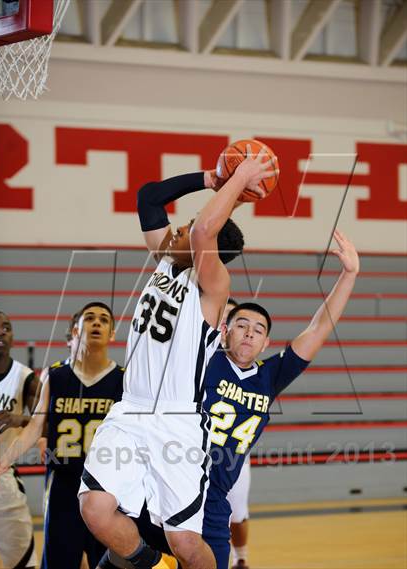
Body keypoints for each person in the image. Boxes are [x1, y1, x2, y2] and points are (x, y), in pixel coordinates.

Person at [100, 230, 359, 569]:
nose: (250, 331)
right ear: (224, 329)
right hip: (166, 481)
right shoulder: (203, 356)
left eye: (259, 328)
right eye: (242, 324)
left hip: (213, 500)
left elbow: (319, 328)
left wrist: (349, 275)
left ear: (266, 343)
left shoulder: (270, 377)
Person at [77, 147, 278, 569]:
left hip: (176, 421)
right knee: (94, 509)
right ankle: (148, 564)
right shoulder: (165, 261)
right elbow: (148, 197)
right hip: (129, 411)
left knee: (186, 543)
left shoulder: (214, 287)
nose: (179, 230)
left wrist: (240, 179)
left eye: (184, 227)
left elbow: (205, 229)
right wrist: (211, 179)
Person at [0, 302, 125, 569]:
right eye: (90, 318)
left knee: (108, 563)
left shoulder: (123, 379)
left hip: (106, 488)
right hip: (63, 485)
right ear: (75, 331)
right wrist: (5, 460)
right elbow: (35, 427)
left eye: (103, 319)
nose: (96, 322)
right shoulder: (55, 374)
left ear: (112, 334)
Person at [0, 310, 40, 568]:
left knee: (24, 564)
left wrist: (18, 419)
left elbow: (48, 424)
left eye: (6, 327)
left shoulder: (25, 378)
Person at [222, 298, 251, 569]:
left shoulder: (247, 362)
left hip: (232, 452)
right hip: (188, 450)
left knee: (237, 513)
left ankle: (241, 557)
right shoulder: (195, 354)